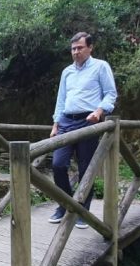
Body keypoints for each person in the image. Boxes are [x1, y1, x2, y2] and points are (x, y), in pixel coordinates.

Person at [49, 32, 117, 229]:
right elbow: (61, 99)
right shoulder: (67, 72)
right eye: (73, 49)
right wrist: (55, 124)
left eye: (80, 48)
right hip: (66, 121)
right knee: (58, 164)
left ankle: (83, 211)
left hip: (88, 120)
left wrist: (99, 111)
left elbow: (110, 93)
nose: (76, 52)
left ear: (90, 48)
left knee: (85, 167)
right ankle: (65, 205)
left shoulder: (100, 67)